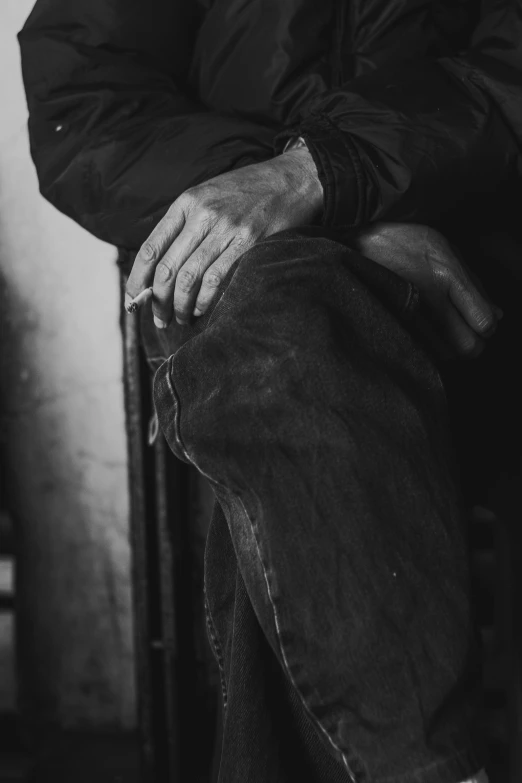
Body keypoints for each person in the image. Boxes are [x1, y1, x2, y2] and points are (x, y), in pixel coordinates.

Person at [17, 0, 522, 780]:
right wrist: (318, 197)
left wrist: (321, 176)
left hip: (477, 270)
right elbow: (84, 94)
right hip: (249, 271)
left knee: (283, 419)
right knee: (282, 334)